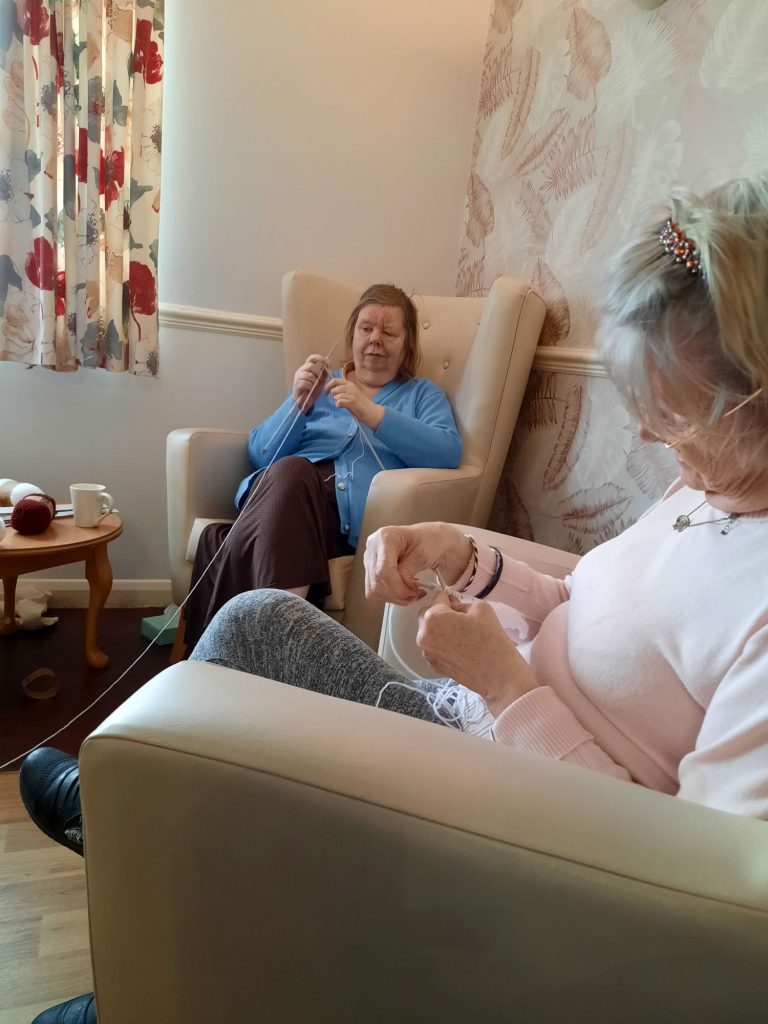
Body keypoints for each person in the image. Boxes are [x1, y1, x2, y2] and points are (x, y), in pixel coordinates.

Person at [19, 176, 768, 1022]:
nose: (645, 435)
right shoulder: (702, 488)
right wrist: (469, 557)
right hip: (466, 719)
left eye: (675, 414)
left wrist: (507, 689)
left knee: (258, 773)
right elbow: (574, 595)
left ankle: (136, 957)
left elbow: (700, 890)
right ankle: (141, 811)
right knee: (261, 618)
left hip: (521, 818)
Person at [182, 282, 462, 649]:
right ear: (352, 335)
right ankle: (276, 646)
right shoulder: (320, 387)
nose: (375, 340)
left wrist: (371, 413)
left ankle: (221, 656)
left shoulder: (422, 394)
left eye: (389, 332)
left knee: (222, 538)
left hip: (337, 520)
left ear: (407, 344)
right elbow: (261, 453)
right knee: (290, 472)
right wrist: (298, 403)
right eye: (366, 328)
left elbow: (446, 452)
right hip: (280, 493)